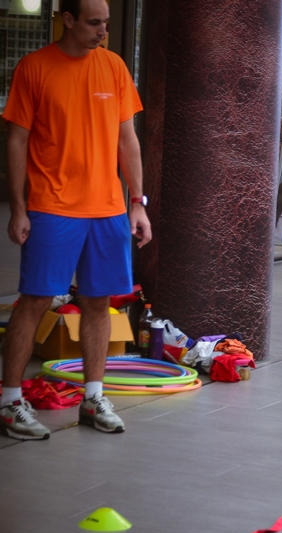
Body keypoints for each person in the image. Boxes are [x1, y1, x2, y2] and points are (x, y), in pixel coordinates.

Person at [0, 0, 150, 441]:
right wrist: (19, 206)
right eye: (94, 22)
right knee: (34, 301)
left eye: (106, 22)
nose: (104, 30)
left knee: (98, 302)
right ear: (67, 20)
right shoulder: (34, 68)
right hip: (52, 206)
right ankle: (9, 401)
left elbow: (128, 142)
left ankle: (93, 397)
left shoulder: (115, 67)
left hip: (106, 209)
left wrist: (137, 203)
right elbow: (17, 141)